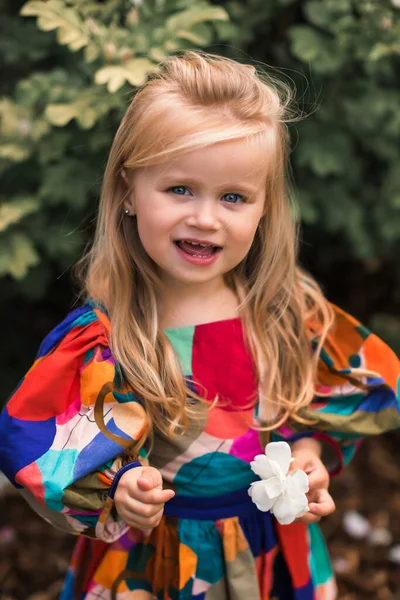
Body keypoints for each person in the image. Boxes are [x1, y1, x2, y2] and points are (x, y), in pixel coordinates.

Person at [0, 51, 399, 600]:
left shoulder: (285, 315)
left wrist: (307, 462)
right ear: (128, 190)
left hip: (265, 554)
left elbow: (318, 412)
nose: (206, 218)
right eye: (180, 189)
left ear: (264, 208)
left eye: (233, 197)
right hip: (155, 559)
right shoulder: (109, 336)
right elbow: (43, 439)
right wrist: (120, 490)